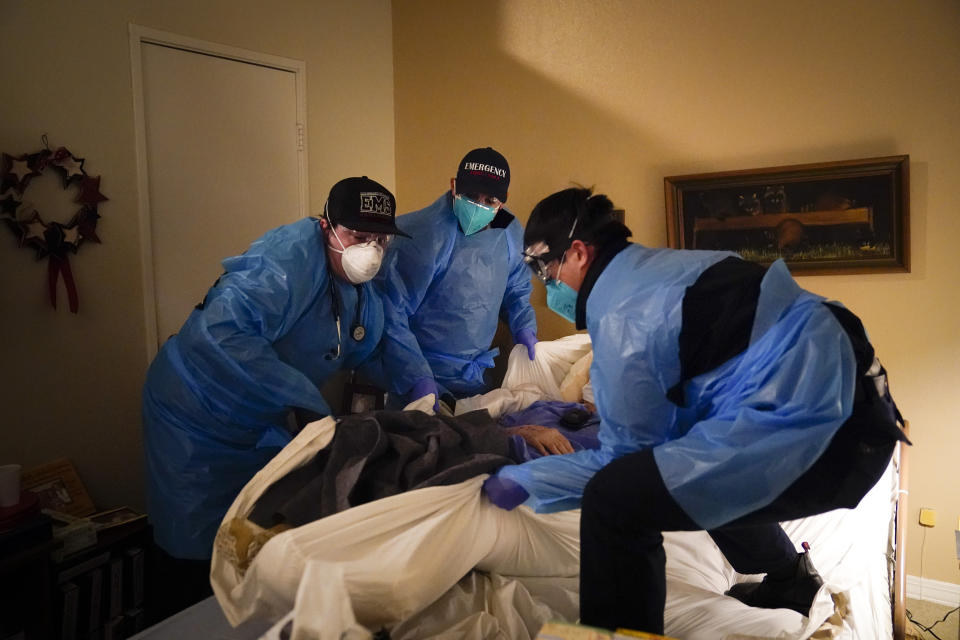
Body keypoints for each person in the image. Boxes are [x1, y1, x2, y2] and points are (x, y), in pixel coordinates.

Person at [482, 187, 908, 634]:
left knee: (616, 497)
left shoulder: (624, 307)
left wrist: (525, 479)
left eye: (543, 268)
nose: (543, 284)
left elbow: (624, 457)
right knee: (689, 462)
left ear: (578, 252)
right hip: (862, 419)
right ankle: (790, 580)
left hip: (830, 435)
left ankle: (626, 634)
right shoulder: (659, 270)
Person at [141, 176, 406, 613]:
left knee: (254, 536)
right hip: (195, 411)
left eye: (381, 239)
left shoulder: (360, 278)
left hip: (262, 416)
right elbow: (224, 335)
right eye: (360, 236)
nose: (371, 250)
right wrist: (307, 404)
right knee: (196, 545)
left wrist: (417, 383)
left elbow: (369, 342)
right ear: (327, 227)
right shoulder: (285, 261)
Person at [375, 147, 538, 407]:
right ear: (454, 186)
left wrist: (524, 326)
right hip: (419, 376)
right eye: (470, 196)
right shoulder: (423, 235)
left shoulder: (508, 229)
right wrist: (416, 376)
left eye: (490, 201)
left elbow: (516, 289)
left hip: (476, 378)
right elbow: (391, 313)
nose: (478, 206)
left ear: (502, 203)